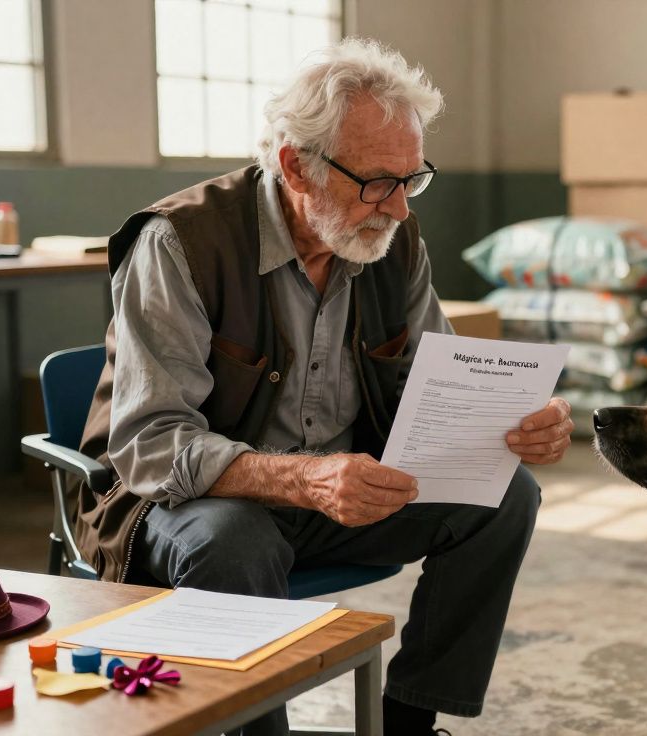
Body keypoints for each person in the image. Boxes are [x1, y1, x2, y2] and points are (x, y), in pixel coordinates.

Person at [72, 38, 574, 736]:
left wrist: (509, 424)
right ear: (294, 167)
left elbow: (432, 388)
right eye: (376, 182)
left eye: (412, 180)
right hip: (191, 506)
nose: (397, 209)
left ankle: (410, 722)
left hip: (339, 493)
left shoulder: (395, 242)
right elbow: (151, 446)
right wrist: (305, 480)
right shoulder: (182, 243)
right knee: (236, 541)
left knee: (505, 497)